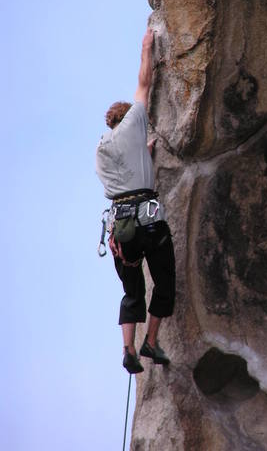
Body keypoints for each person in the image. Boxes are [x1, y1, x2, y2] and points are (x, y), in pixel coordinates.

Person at [95, 27, 176, 374]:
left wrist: (146, 153)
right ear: (128, 118)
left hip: (121, 230)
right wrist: (147, 46)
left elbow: (128, 170)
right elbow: (144, 82)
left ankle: (127, 348)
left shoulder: (102, 151)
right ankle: (151, 342)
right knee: (165, 282)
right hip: (148, 221)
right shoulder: (134, 122)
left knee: (132, 292)